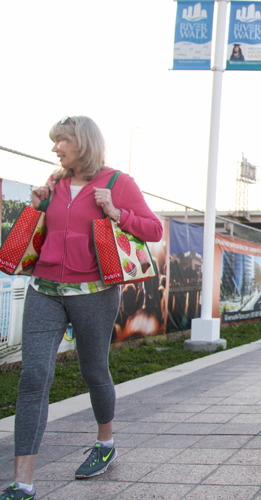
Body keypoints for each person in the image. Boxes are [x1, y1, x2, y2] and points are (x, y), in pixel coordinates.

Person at [1, 116, 163, 500]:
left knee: (93, 370)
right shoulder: (55, 182)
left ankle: (105, 443)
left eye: (61, 141)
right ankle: (22, 480)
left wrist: (116, 213)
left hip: (93, 293)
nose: (55, 148)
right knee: (34, 376)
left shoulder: (116, 183)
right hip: (45, 289)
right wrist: (38, 207)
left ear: (83, 143)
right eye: (55, 142)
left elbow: (153, 229)